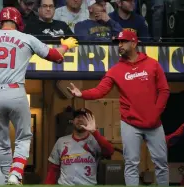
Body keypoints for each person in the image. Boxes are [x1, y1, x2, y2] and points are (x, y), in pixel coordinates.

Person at [0, 7, 78, 185]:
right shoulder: (27, 38)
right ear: (18, 22)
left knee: (2, 141)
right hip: (16, 91)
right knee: (23, 137)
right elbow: (56, 56)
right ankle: (15, 174)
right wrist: (65, 45)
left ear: (0, 22)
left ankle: (6, 177)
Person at [67, 29, 170, 186]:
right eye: (118, 42)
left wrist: (156, 113)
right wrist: (81, 94)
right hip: (130, 123)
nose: (120, 45)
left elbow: (164, 90)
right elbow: (100, 90)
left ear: (134, 43)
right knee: (131, 164)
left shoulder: (152, 64)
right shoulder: (115, 70)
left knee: (161, 163)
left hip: (154, 123)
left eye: (123, 42)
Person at [45, 108, 114, 185]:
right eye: (77, 117)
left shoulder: (96, 140)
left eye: (84, 117)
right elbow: (53, 169)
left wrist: (94, 132)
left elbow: (110, 151)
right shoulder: (61, 141)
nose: (80, 119)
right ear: (73, 121)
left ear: (90, 121)